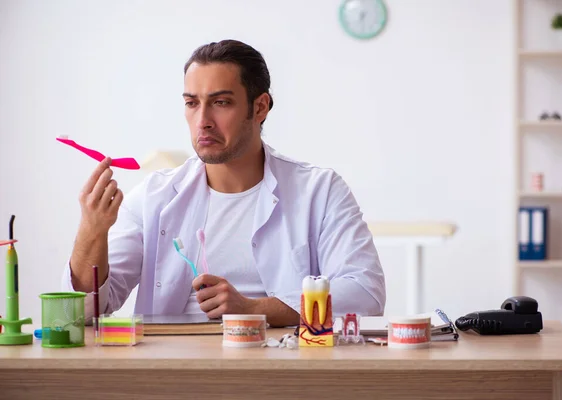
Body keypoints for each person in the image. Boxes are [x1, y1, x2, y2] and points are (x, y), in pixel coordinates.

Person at [62, 39, 386, 327]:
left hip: (283, 370)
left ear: (259, 107)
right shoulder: (154, 197)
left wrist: (255, 309)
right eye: (192, 103)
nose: (202, 121)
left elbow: (364, 292)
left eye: (221, 102)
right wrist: (93, 229)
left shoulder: (319, 191)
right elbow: (80, 315)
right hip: (172, 376)